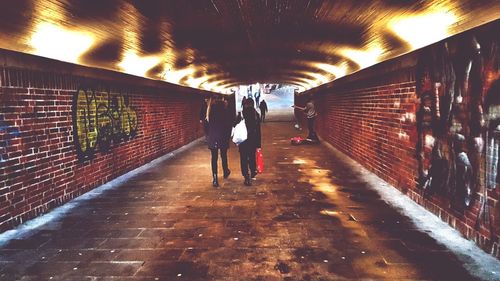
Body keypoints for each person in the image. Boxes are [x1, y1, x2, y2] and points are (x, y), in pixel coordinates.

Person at [207, 96, 232, 187]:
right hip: (223, 137)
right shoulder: (225, 110)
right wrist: (228, 136)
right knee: (223, 155)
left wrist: (209, 136)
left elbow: (207, 125)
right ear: (222, 100)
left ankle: (215, 178)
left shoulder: (210, 110)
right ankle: (225, 171)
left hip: (213, 137)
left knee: (214, 158)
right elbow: (229, 125)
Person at [237, 98, 261, 186]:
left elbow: (236, 126)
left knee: (243, 159)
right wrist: (258, 144)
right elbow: (258, 131)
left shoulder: (241, 114)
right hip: (252, 140)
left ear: (245, 104)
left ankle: (246, 176)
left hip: (243, 141)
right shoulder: (256, 115)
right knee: (251, 157)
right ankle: (253, 172)